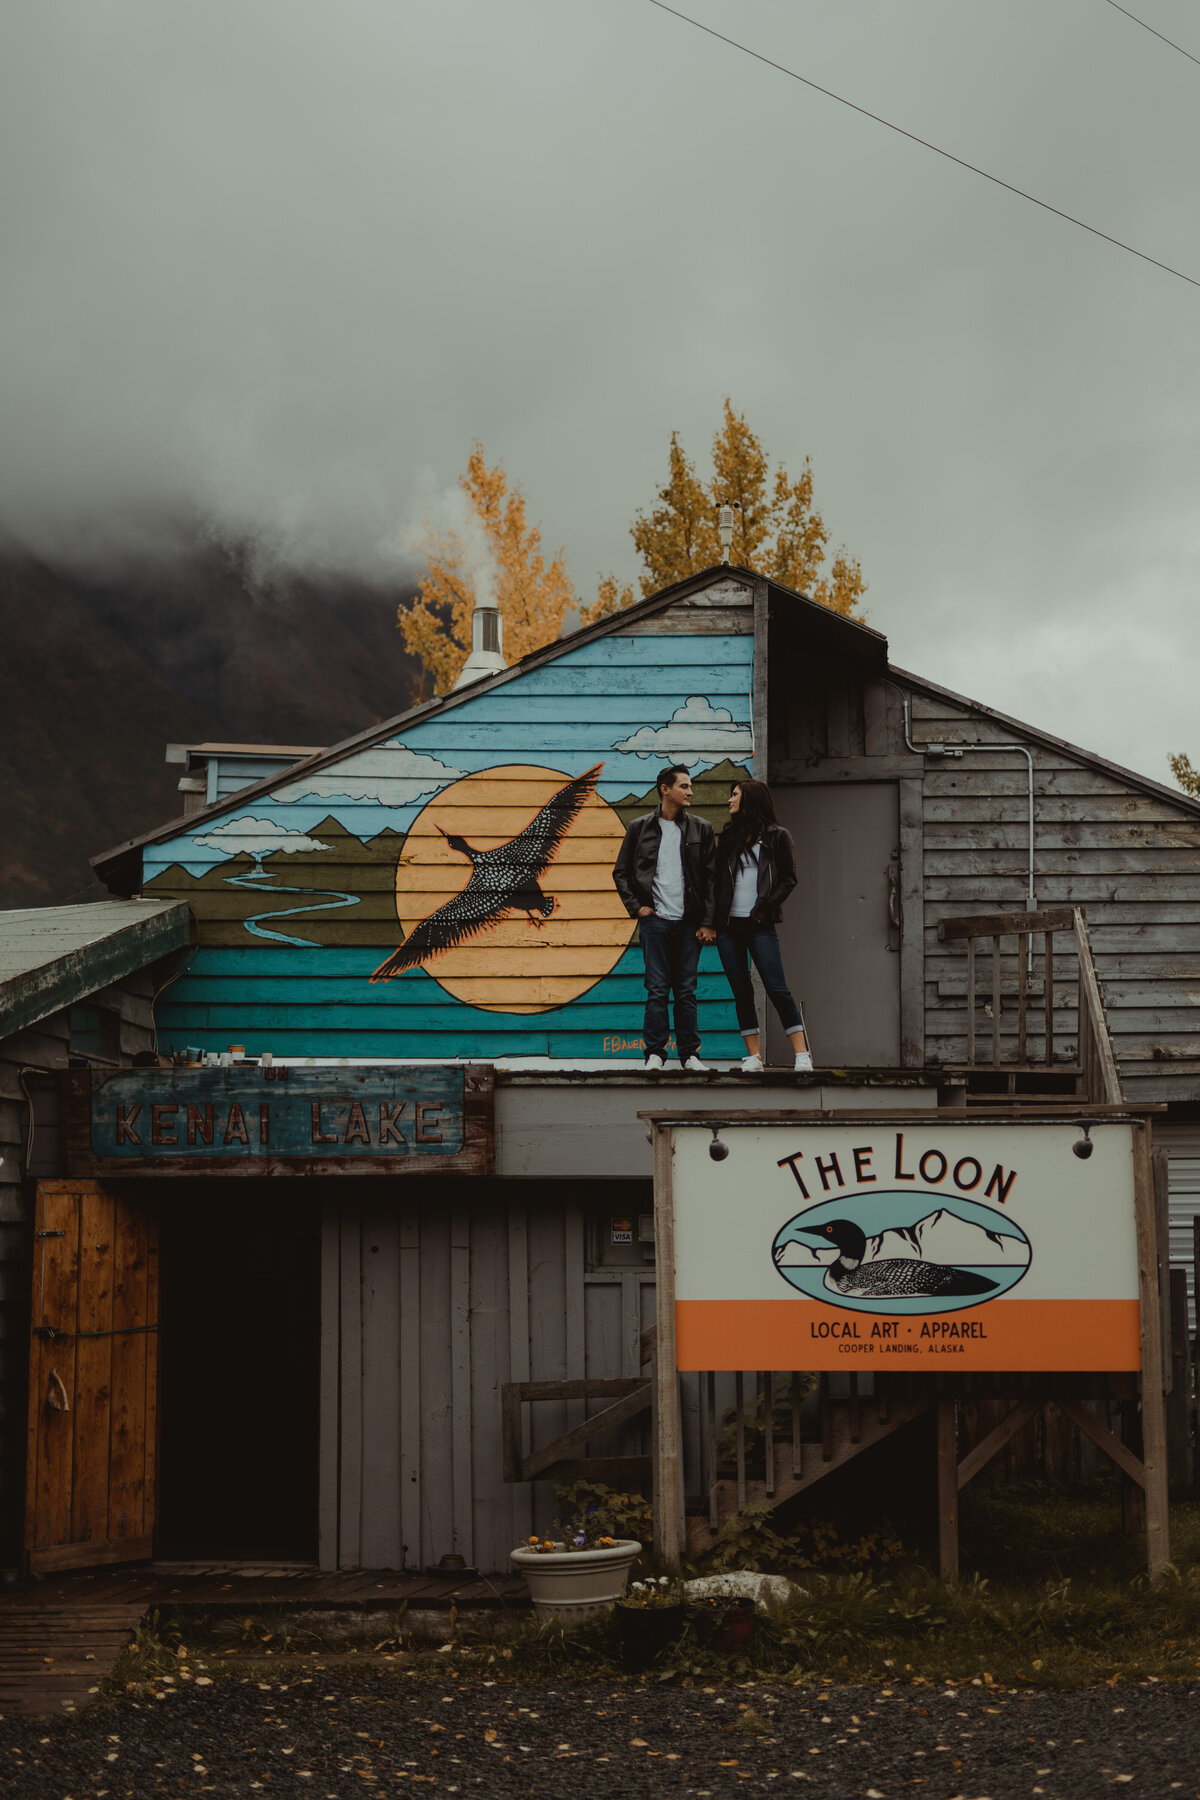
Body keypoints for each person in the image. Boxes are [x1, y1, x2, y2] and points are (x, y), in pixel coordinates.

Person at [612, 764, 716, 1072]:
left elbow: (711, 879)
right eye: (684, 786)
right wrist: (638, 908)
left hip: (688, 922)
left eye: (690, 785)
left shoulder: (701, 828)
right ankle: (655, 1053)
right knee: (657, 989)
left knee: (686, 990)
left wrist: (708, 921)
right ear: (665, 789)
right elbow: (621, 873)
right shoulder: (639, 827)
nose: (690, 791)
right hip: (655, 921)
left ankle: (690, 1055)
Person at [713, 778, 814, 1073]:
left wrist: (764, 909)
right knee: (741, 992)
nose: (729, 800)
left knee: (776, 988)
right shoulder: (729, 837)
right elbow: (718, 882)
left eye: (734, 795)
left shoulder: (778, 836)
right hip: (729, 927)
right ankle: (754, 1057)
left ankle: (802, 1054)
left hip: (760, 925)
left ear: (751, 799)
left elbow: (788, 879)